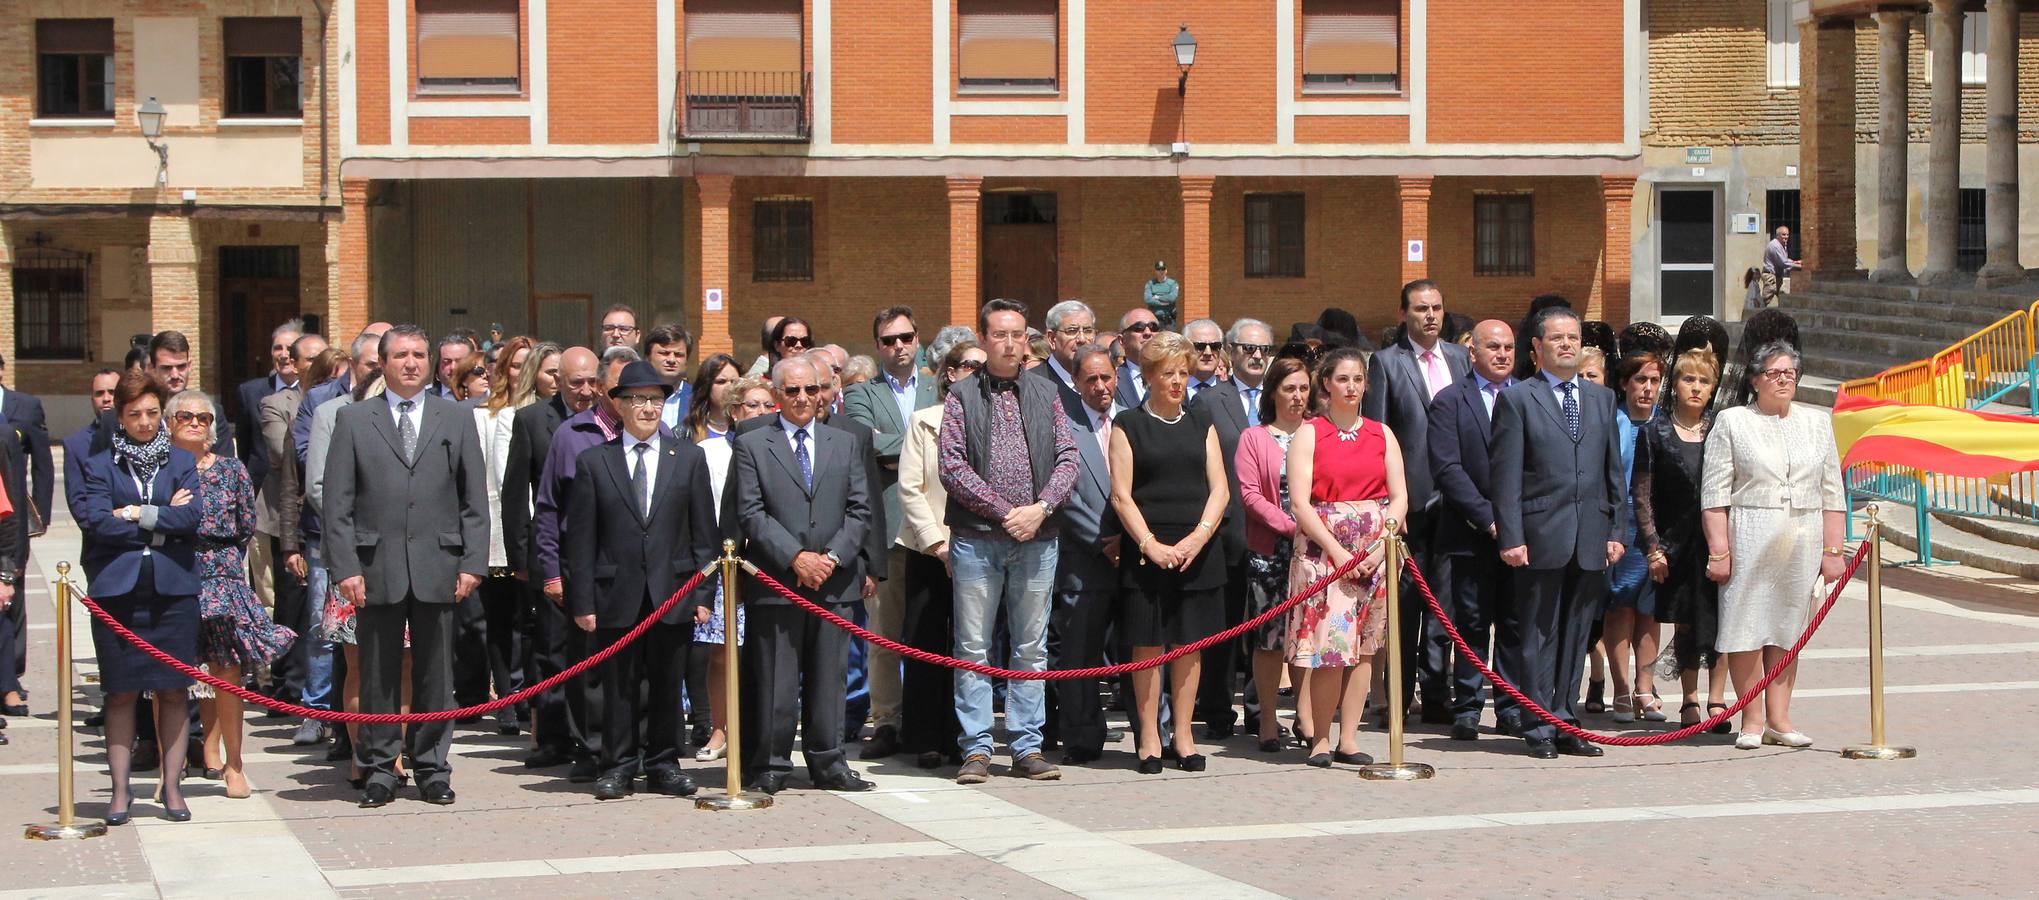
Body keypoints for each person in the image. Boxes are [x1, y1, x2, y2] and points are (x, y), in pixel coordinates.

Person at [325, 324, 490, 808]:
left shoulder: (455, 418)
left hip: (439, 564)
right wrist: (346, 568)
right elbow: (338, 504)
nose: (412, 363)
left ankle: (432, 768)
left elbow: (473, 500)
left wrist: (472, 563)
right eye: (401, 355)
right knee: (376, 672)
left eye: (420, 354)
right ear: (383, 362)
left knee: (436, 675)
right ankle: (379, 768)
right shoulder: (355, 420)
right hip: (375, 568)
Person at [938, 299, 1079, 784]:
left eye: (1018, 334)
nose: (1010, 343)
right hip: (978, 539)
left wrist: (1039, 510)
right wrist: (1005, 513)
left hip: (1038, 538)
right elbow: (952, 467)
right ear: (983, 339)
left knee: (1031, 646)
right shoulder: (961, 395)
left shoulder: (1046, 392)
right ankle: (976, 748)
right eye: (1000, 334)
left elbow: (1068, 458)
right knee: (973, 645)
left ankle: (1026, 745)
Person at [564, 360, 718, 800]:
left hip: (674, 591)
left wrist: (703, 593)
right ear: (620, 405)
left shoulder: (688, 458)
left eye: (655, 399)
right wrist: (583, 601)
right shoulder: (596, 462)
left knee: (669, 684)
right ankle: (617, 765)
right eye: (637, 399)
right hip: (616, 592)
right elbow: (580, 540)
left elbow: (703, 533)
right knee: (619, 686)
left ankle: (664, 763)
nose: (648, 408)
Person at [730, 355, 876, 795]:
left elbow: (860, 508)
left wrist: (830, 558)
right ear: (776, 396)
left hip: (834, 582)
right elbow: (751, 512)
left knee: (830, 678)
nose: (802, 398)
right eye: (792, 391)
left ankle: (829, 762)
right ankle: (772, 764)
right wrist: (796, 558)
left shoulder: (845, 441)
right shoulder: (753, 442)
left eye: (811, 390)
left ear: (824, 393)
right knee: (776, 677)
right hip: (778, 580)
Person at [1490, 305, 1627, 760]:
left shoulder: (1600, 399)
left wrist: (1616, 529)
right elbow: (1505, 478)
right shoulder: (1518, 398)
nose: (1567, 345)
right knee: (1538, 633)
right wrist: (1511, 535)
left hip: (1590, 534)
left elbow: (1613, 473)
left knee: (1576, 632)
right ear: (1537, 348)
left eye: (1574, 338)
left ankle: (1567, 720)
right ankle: (1538, 724)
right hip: (1539, 534)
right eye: (1557, 338)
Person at [1703, 340, 1844, 751]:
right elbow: (1714, 493)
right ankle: (1751, 718)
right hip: (1749, 530)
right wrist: (1719, 550)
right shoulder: (1732, 421)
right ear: (1755, 379)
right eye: (1774, 373)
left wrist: (1833, 552)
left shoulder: (1818, 423)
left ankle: (1779, 719)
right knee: (1745, 625)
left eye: (1790, 373)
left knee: (1787, 626)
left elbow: (1833, 492)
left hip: (1803, 533)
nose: (1783, 380)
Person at [76, 370, 202, 824]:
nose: (145, 422)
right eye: (135, 414)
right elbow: (96, 524)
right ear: (120, 417)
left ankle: (171, 787)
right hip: (119, 593)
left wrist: (131, 513)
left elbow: (193, 520)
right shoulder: (99, 464)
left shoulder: (182, 462)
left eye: (152, 413)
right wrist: (161, 520)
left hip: (174, 591)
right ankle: (119, 790)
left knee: (173, 691)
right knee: (120, 693)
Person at [1108, 331, 1228, 774]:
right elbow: (1122, 496)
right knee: (1148, 644)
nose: (1178, 381)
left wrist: (1198, 537)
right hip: (1147, 550)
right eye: (1168, 373)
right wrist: (1149, 545)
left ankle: (1184, 734)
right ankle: (1149, 736)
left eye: (1183, 372)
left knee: (1188, 646)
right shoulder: (1128, 424)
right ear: (1150, 375)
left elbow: (1220, 489)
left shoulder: (1202, 421)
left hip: (1197, 549)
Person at [167, 390, 293, 800]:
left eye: (204, 418)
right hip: (175, 573)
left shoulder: (231, 469)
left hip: (222, 576)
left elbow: (244, 526)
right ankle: (170, 772)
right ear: (169, 423)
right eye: (185, 415)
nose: (195, 423)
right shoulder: (161, 471)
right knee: (171, 676)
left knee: (226, 671)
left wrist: (223, 567)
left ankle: (233, 764)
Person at [1285, 348, 1403, 767]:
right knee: (1329, 648)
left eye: (1358, 379)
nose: (1351, 387)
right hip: (1325, 552)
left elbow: (1399, 496)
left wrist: (1377, 546)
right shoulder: (1310, 433)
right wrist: (1338, 552)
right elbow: (1299, 503)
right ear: (1327, 385)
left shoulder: (1381, 433)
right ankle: (1319, 737)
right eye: (1343, 379)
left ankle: (1349, 738)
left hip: (1374, 549)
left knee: (1365, 649)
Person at [1363, 280, 1470, 724]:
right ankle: (1399, 700)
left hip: (1457, 502)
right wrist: (1392, 504)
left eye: (1437, 308)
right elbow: (1379, 436)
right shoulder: (1387, 363)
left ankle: (1438, 694)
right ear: (1403, 312)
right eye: (1421, 308)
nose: (1430, 315)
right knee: (1406, 607)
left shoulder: (1463, 359)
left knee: (1446, 604)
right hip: (1409, 504)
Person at [535, 346, 643, 782]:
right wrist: (552, 571)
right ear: (602, 388)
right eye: (619, 389)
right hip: (586, 570)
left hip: (639, 572)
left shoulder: (659, 434)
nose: (629, 399)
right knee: (589, 667)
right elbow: (548, 509)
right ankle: (593, 748)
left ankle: (637, 748)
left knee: (639, 668)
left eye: (636, 391)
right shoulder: (571, 434)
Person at [843, 304, 938, 761]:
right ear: (877, 346)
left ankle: (928, 719)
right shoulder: (861, 393)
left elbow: (954, 442)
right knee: (884, 634)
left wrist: (896, 445)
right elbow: (865, 443)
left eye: (905, 337)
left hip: (936, 529)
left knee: (931, 633)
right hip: (886, 528)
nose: (898, 346)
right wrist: (924, 443)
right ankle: (886, 721)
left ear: (918, 339)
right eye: (888, 340)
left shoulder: (939, 387)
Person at [1425, 320, 1521, 741]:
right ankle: (1466, 707)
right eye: (1493, 347)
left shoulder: (1529, 395)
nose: (1502, 354)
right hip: (1470, 533)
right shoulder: (1450, 401)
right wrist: (1488, 519)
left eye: (1509, 348)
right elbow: (1448, 468)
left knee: (1515, 623)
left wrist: (1516, 523)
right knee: (1472, 623)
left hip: (1522, 534)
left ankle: (1511, 705)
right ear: (1473, 353)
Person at [503, 346, 597, 772]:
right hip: (550, 556)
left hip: (596, 557)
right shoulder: (532, 421)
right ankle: (553, 737)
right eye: (574, 382)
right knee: (550, 652)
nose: (584, 390)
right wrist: (522, 559)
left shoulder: (609, 421)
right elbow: (515, 496)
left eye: (591, 382)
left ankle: (591, 735)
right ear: (557, 381)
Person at [895, 334, 980, 769]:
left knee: (972, 646)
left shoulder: (999, 421)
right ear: (950, 373)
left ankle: (970, 738)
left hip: (982, 547)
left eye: (983, 368)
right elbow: (910, 488)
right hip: (931, 549)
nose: (977, 374)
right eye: (968, 366)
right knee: (928, 641)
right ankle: (927, 736)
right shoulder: (925, 421)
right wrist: (938, 543)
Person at [1635, 347, 1728, 732]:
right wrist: (1653, 547)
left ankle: (1718, 698)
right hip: (1676, 543)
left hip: (1720, 541)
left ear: (1712, 389)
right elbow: (1641, 494)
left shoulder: (1722, 428)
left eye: (1703, 381)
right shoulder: (1654, 431)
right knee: (1686, 623)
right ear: (1675, 385)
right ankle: (1690, 698)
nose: (1695, 387)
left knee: (1724, 619)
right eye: (1688, 379)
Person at [691, 375, 774, 763]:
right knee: (722, 653)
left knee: (760, 653)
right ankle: (720, 728)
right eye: (750, 406)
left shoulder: (777, 448)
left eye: (765, 405)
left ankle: (756, 730)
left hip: (765, 566)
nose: (758, 412)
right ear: (733, 411)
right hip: (723, 563)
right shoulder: (708, 452)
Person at [1048, 345, 1123, 765]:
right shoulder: (1064, 426)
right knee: (1080, 654)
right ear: (1076, 384)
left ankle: (1154, 732)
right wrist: (1103, 543)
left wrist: (1129, 543)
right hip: (1083, 559)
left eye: (1107, 377)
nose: (1100, 386)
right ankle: (1080, 737)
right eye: (1091, 379)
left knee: (1144, 650)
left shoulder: (1133, 419)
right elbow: (1065, 495)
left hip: (1136, 557)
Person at [1234, 356, 1313, 753]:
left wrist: (1314, 530)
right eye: (1289, 389)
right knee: (1270, 640)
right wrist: (1289, 526)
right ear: (1273, 393)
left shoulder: (1318, 433)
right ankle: (1267, 716)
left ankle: (1306, 714)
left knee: (1308, 636)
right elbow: (1249, 494)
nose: (1297, 397)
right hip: (1270, 552)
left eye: (1303, 388)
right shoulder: (1255, 437)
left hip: (1314, 551)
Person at [259, 336, 334, 747]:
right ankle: (315, 707)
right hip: (318, 530)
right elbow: (293, 473)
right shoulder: (315, 408)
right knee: (318, 623)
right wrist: (292, 543)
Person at [1181, 318, 1251, 739]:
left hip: (1228, 528)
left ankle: (1219, 709)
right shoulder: (1167, 396)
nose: (1206, 352)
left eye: (1213, 345)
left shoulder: (1233, 398)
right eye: (1198, 346)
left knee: (1225, 625)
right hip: (1176, 526)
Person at [474, 337, 545, 736]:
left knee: (532, 622)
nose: (520, 372)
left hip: (539, 528)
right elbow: (501, 478)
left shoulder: (546, 415)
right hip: (501, 531)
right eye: (514, 365)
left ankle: (533, 696)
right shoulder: (488, 415)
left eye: (526, 364)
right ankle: (505, 697)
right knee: (501, 618)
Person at [1604, 352, 1665, 723]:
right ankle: (1621, 689)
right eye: (1640, 380)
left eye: (1654, 381)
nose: (1646, 388)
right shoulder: (1612, 421)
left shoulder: (1666, 424)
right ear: (1625, 383)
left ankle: (1646, 687)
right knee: (1621, 604)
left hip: (1658, 525)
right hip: (1620, 520)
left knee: (1651, 607)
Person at [0, 351, 52, 719]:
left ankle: (9, 681)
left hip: (9, 523)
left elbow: (39, 470)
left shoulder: (19, 414)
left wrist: (40, 517)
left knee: (10, 604)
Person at [1034, 299, 1096, 407]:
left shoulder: (1104, 380)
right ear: (1052, 338)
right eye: (1072, 331)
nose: (1082, 339)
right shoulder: (1033, 383)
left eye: (1087, 331)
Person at [680, 353, 744, 442]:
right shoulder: (685, 432)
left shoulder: (748, 428)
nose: (729, 387)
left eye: (734, 381)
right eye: (721, 381)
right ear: (706, 386)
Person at [645, 324, 695, 429]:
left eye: (678, 354)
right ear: (647, 358)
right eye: (664, 353)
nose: (671, 360)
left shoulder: (698, 399)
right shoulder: (633, 397)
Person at [1115, 308, 1162, 409]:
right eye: (1139, 328)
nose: (1148, 333)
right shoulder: (1112, 379)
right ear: (1122, 340)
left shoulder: (1176, 376)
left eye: (1153, 327)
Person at [1757, 226, 1800, 309]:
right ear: (1778, 235)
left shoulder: (1783, 245)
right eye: (1783, 235)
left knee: (1784, 297)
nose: (1786, 237)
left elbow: (1784, 259)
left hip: (1777, 276)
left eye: (1787, 235)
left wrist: (1794, 262)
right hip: (1771, 277)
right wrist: (1799, 266)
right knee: (1765, 299)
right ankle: (1757, 315)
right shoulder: (1775, 246)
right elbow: (1783, 263)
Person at [431, 332, 476, 401]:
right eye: (447, 361)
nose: (453, 367)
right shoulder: (423, 400)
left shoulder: (486, 399)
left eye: (459, 362)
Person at [1144, 261, 1180, 331]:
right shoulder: (1150, 284)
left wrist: (1157, 297)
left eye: (1163, 269)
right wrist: (1161, 303)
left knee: (1170, 341)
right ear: (1155, 271)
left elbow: (1172, 298)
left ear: (1166, 270)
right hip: (1154, 319)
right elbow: (1147, 299)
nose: (1161, 271)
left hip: (1168, 320)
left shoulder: (1172, 283)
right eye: (1158, 269)